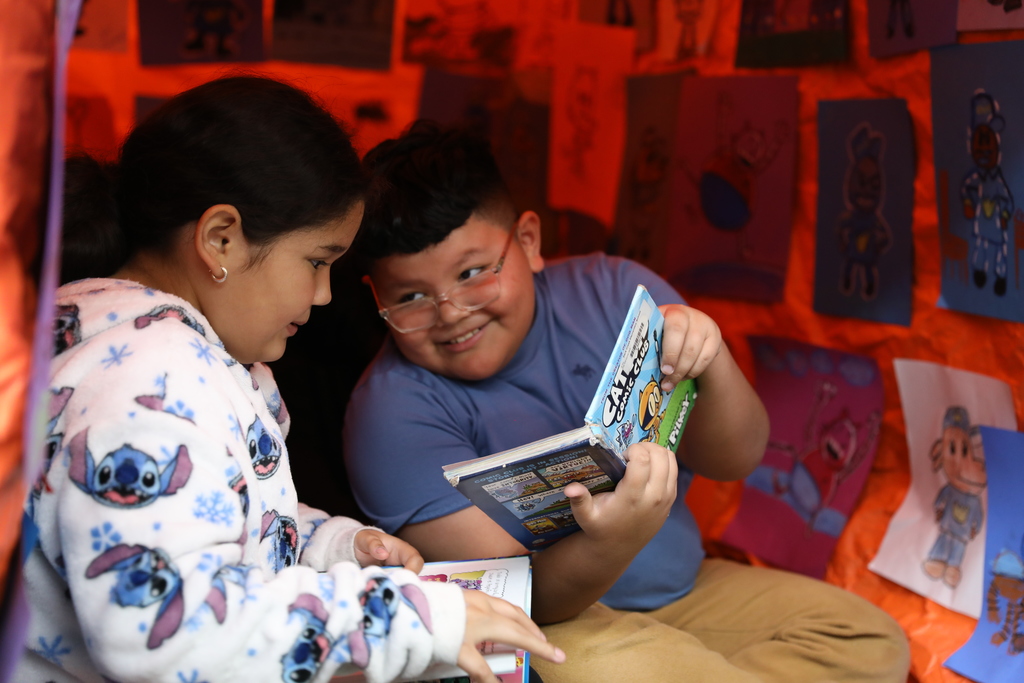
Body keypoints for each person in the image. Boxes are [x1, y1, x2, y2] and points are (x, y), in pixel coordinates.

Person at [19, 78, 564, 683]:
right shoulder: (149, 381)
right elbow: (163, 632)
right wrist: (405, 619)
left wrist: (331, 546)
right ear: (220, 239)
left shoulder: (140, 348)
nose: (325, 294)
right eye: (317, 261)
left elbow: (214, 518)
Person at [343, 121, 911, 683]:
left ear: (529, 242)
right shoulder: (386, 414)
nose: (450, 313)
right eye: (410, 297)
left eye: (472, 273)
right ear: (376, 296)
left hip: (683, 594)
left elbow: (737, 458)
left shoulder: (612, 292)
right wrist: (617, 537)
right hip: (548, 629)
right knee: (618, 669)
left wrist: (711, 357)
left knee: (867, 641)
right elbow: (516, 597)